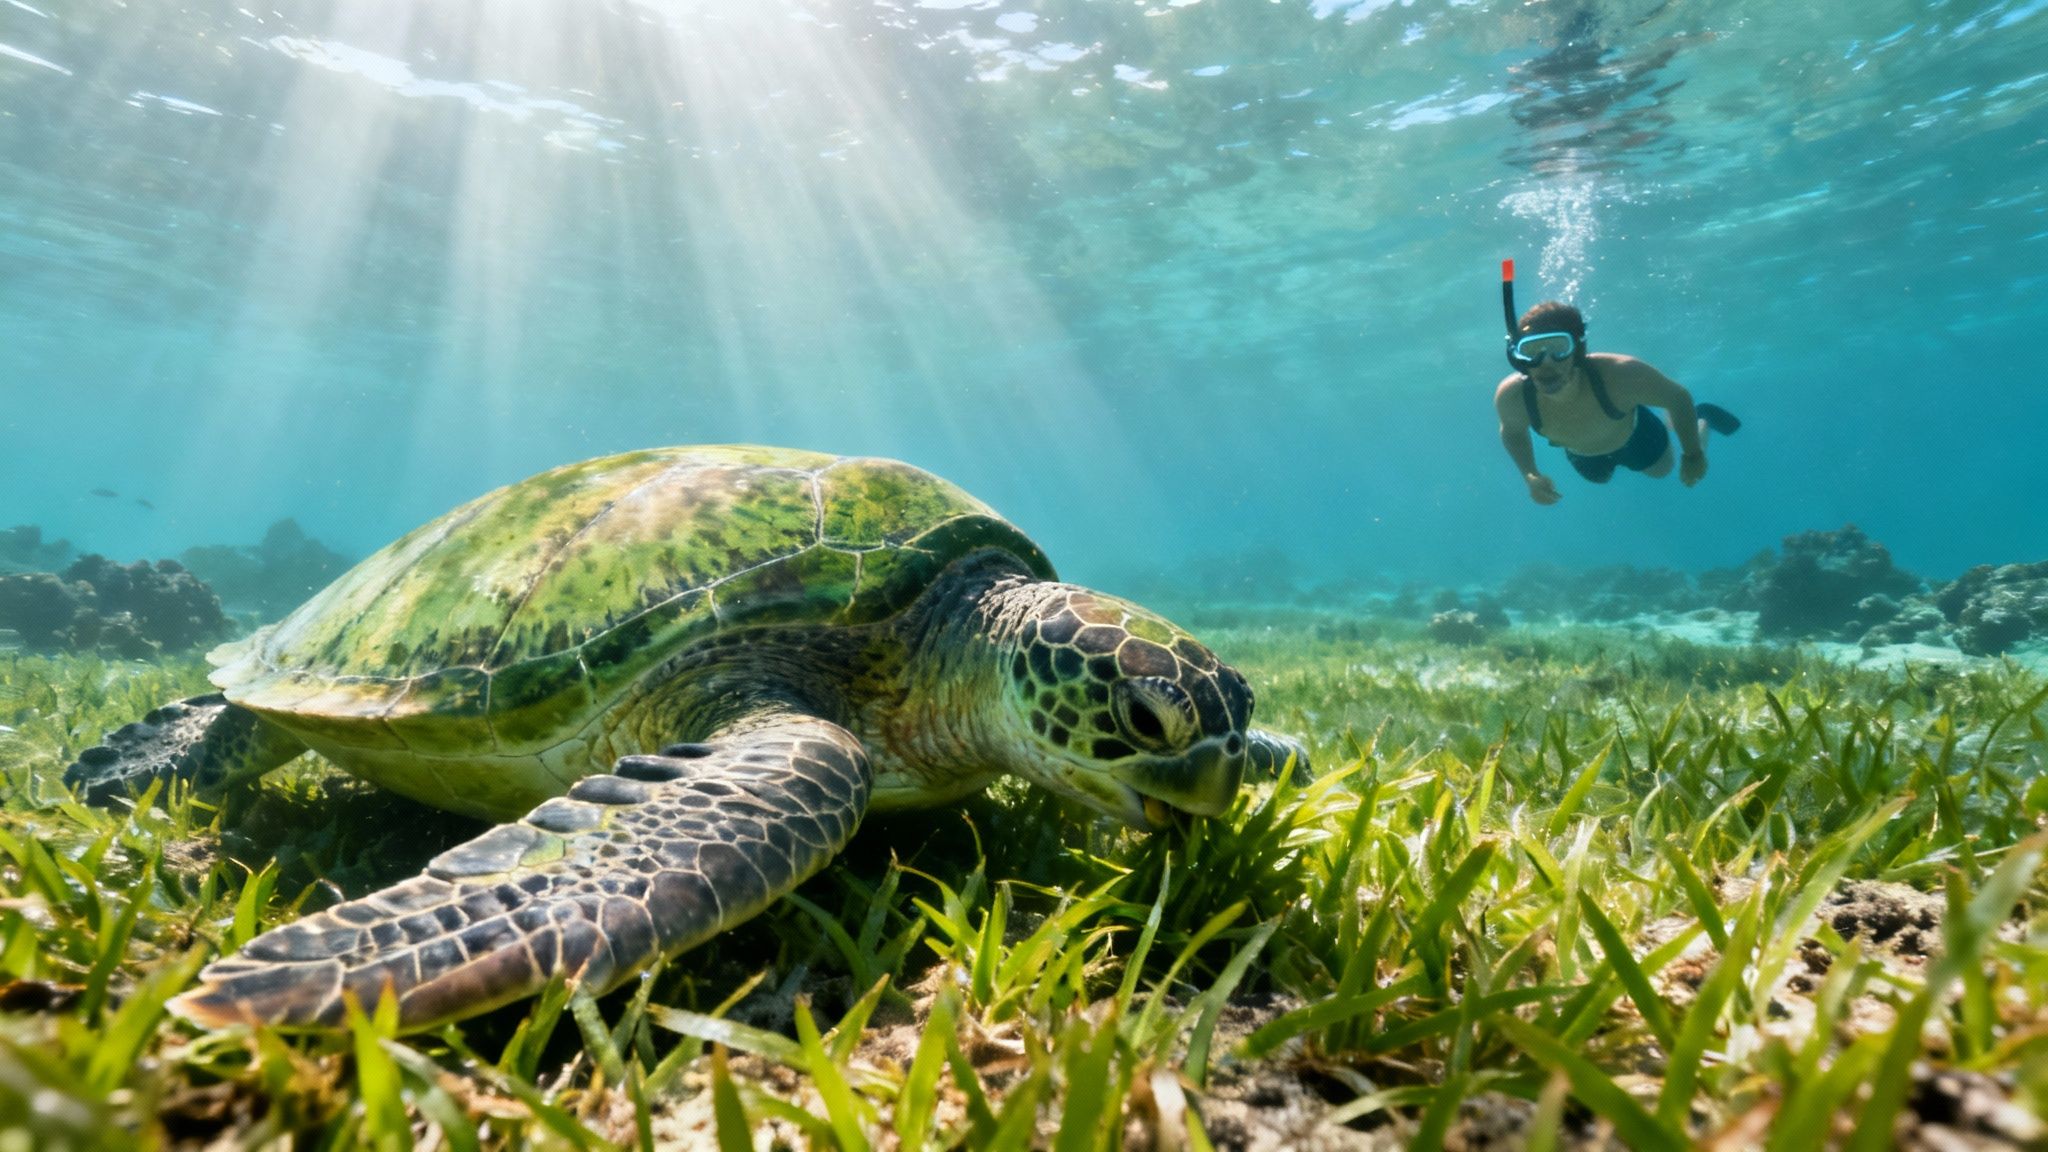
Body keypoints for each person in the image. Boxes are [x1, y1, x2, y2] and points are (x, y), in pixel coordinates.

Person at [1493, 300, 1740, 505]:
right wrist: (1530, 474)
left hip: (1637, 435)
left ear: (1577, 351)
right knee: (1599, 480)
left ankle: (1701, 418)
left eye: (1559, 348)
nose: (1546, 363)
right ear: (1517, 357)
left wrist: (1694, 454)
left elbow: (1678, 398)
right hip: (1583, 454)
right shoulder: (1512, 397)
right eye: (1532, 350)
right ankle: (1672, 418)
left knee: (1662, 471)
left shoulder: (1620, 374)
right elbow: (1512, 432)